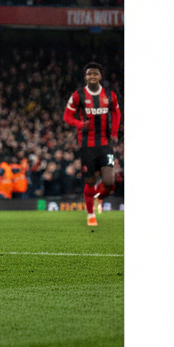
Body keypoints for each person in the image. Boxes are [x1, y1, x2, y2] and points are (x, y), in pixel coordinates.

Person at [63, 61, 122, 229]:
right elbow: (67, 117)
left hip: (105, 143)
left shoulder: (110, 95)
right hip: (87, 145)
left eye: (95, 73)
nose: (92, 76)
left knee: (110, 181)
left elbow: (117, 113)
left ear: (100, 76)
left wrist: (114, 133)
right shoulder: (78, 95)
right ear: (85, 77)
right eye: (89, 74)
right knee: (90, 180)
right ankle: (91, 214)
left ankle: (99, 197)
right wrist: (80, 124)